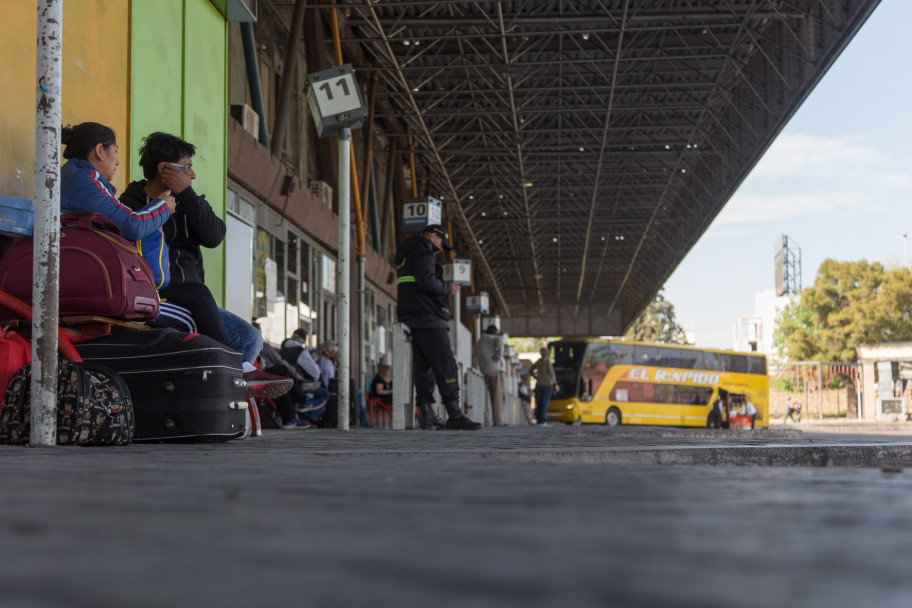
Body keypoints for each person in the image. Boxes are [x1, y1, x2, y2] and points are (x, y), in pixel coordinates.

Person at [118, 132, 288, 397]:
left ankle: (225, 391)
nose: (193, 175)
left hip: (195, 296)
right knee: (216, 322)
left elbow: (214, 236)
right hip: (159, 294)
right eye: (187, 168)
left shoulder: (188, 201)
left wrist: (187, 194)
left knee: (251, 337)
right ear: (164, 169)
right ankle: (236, 375)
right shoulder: (130, 205)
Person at [394, 224, 481, 430]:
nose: (441, 249)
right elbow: (426, 282)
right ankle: (455, 414)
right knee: (445, 365)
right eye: (442, 243)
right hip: (428, 316)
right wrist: (447, 288)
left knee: (423, 368)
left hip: (413, 315)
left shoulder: (407, 253)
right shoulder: (423, 253)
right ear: (433, 236)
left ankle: (427, 414)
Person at [476, 324, 507, 426]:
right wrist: (498, 356)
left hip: (486, 371)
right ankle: (498, 421)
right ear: (495, 333)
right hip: (496, 369)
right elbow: (500, 341)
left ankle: (496, 419)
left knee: (493, 395)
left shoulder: (480, 341)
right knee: (499, 396)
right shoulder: (494, 338)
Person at [529, 347, 558, 426]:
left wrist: (536, 376)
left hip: (539, 384)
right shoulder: (547, 362)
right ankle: (543, 420)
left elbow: (530, 370)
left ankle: (539, 419)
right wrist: (555, 384)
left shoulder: (538, 362)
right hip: (548, 385)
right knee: (545, 403)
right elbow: (552, 374)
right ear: (547, 354)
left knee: (539, 403)